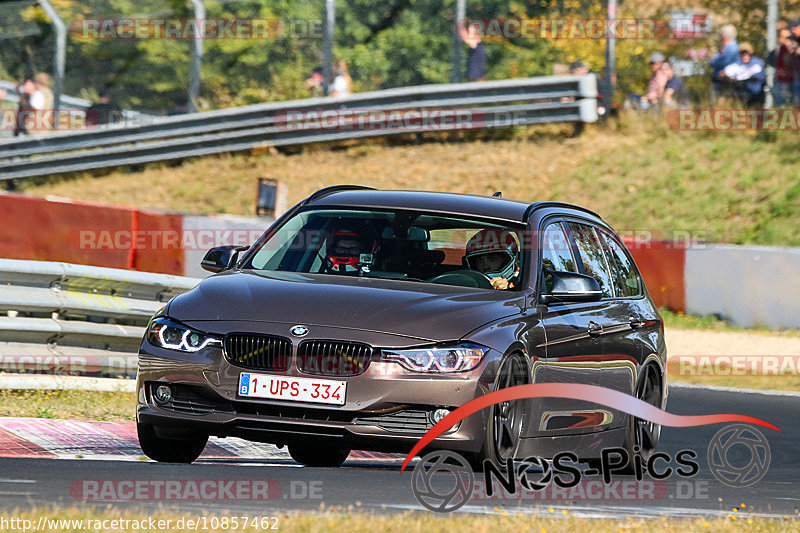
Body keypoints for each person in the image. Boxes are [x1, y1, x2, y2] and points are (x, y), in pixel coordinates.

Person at [720, 42, 766, 107]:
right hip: (742, 96)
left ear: (751, 52)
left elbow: (758, 75)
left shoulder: (757, 62)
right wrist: (728, 78)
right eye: (742, 53)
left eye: (746, 53)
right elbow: (724, 73)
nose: (745, 55)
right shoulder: (736, 64)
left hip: (756, 95)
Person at [709, 25, 739, 102]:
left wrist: (714, 61)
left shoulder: (732, 48)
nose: (720, 37)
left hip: (726, 79)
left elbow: (723, 62)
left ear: (724, 36)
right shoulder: (726, 47)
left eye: (721, 35)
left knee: (722, 101)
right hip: (719, 78)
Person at [769, 29, 795, 106]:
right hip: (780, 80)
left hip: (793, 80)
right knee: (780, 103)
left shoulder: (794, 48)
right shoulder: (777, 49)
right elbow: (772, 61)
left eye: (789, 38)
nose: (787, 40)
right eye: (784, 38)